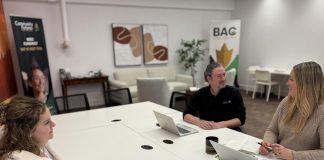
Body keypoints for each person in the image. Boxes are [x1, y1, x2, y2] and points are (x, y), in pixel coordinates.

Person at [259, 61, 324, 160]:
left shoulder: (321, 112)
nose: (287, 83)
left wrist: (293, 156)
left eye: (291, 79)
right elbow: (272, 130)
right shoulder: (286, 102)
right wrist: (267, 143)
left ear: (305, 84)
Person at [183, 62, 246, 131]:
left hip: (230, 131)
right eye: (219, 76)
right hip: (208, 132)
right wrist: (199, 122)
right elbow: (186, 114)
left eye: (224, 75)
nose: (223, 79)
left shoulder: (234, 92)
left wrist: (220, 124)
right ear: (209, 79)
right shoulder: (201, 93)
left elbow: (241, 119)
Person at [0, 96, 58, 160]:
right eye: (47, 122)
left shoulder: (39, 143)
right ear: (28, 130)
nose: (53, 124)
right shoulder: (15, 158)